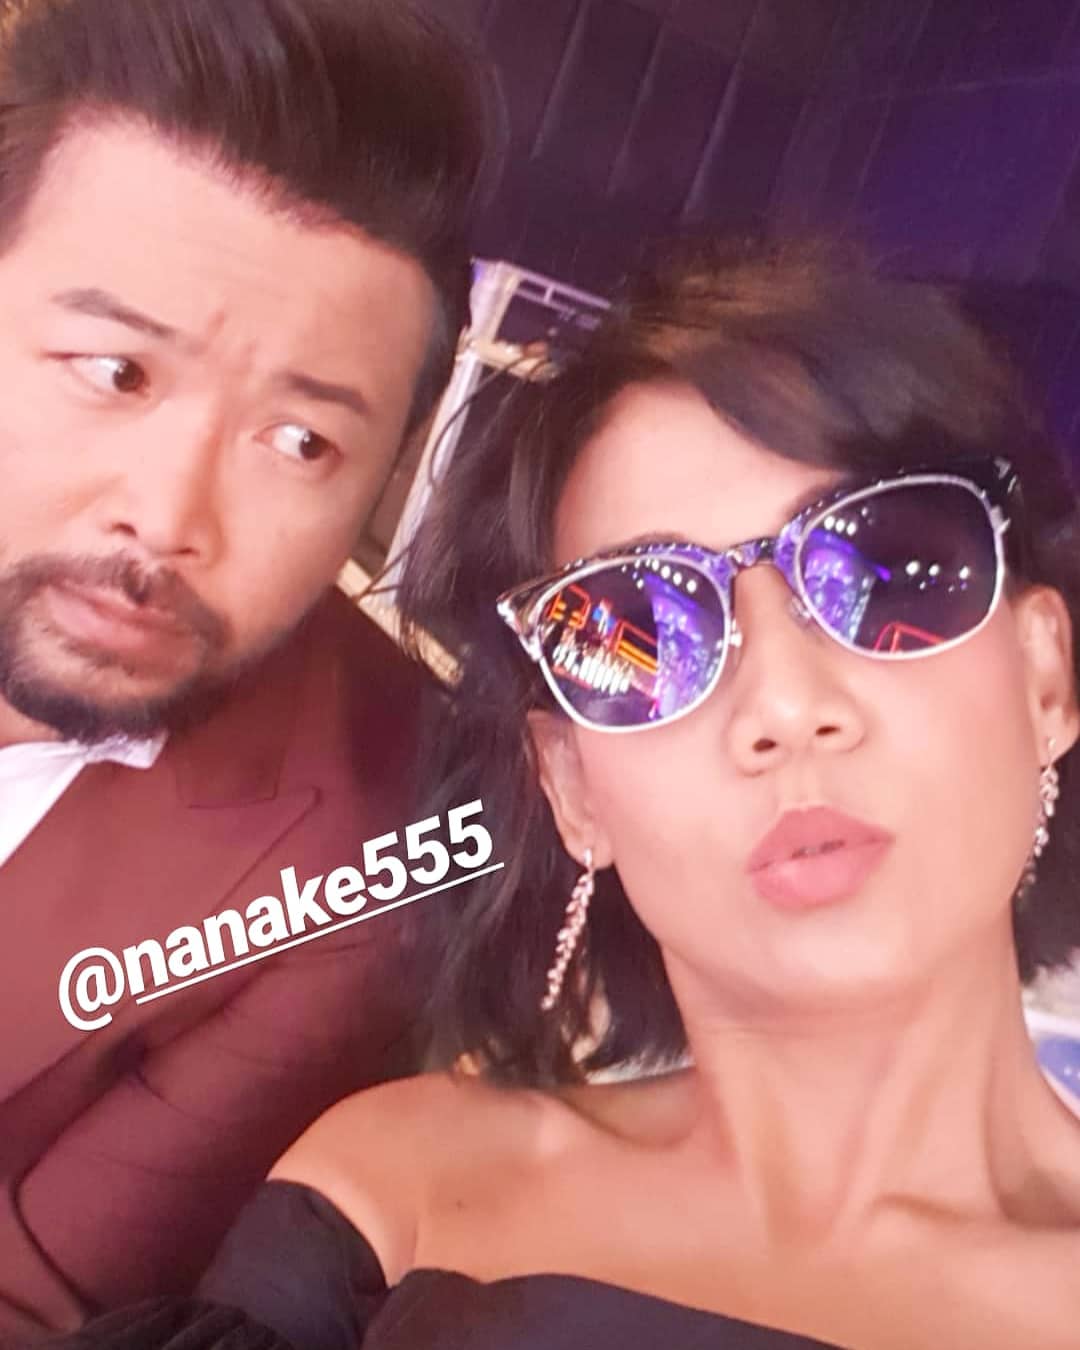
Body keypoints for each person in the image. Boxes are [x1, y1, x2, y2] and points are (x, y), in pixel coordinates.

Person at [194, 239, 1080, 1349]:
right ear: (572, 788)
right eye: (642, 636)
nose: (782, 707)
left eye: (885, 575)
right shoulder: (396, 1195)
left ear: (1046, 679)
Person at [0, 0, 488, 1334]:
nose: (169, 518)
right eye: (115, 370)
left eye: (301, 444)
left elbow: (42, 1302)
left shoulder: (378, 856)